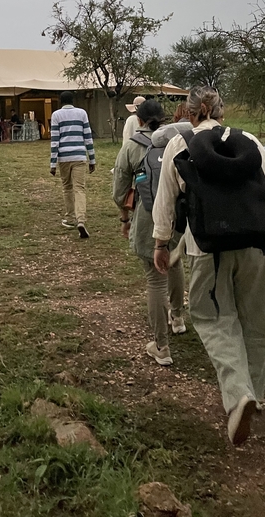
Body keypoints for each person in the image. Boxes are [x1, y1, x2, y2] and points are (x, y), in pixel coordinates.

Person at [152, 86, 265, 446]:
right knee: (253, 320)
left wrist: (161, 244)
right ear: (220, 111)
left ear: (194, 112)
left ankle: (238, 395)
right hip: (258, 244)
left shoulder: (181, 146)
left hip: (209, 247)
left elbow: (165, 202)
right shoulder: (251, 141)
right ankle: (254, 393)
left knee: (213, 317)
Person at [113, 100, 186, 367]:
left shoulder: (132, 146)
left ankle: (161, 346)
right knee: (175, 263)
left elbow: (119, 191)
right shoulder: (177, 142)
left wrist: (124, 219)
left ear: (140, 121)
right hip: (178, 215)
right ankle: (177, 318)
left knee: (155, 279)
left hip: (148, 217)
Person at [50, 90, 95, 239]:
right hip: (79, 155)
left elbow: (55, 140)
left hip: (64, 157)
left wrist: (52, 163)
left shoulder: (56, 115)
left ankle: (70, 217)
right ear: (73, 100)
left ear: (60, 101)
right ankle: (81, 219)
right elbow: (88, 137)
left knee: (67, 187)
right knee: (80, 188)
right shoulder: (82, 113)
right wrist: (92, 159)